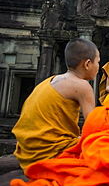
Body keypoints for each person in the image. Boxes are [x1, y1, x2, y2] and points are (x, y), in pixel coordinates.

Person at [12, 38, 100, 170]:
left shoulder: (50, 80)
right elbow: (93, 126)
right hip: (50, 153)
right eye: (98, 62)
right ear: (87, 64)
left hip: (27, 152)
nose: (99, 67)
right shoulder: (82, 86)